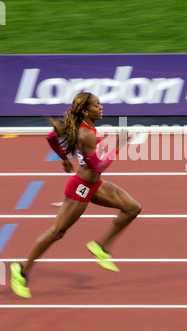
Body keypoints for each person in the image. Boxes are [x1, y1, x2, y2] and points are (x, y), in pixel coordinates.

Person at [10, 92, 142, 299]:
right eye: (97, 105)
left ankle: (100, 247)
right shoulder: (86, 134)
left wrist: (64, 159)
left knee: (133, 208)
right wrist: (118, 146)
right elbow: (99, 165)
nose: (101, 108)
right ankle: (21, 271)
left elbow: (51, 136)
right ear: (85, 111)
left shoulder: (83, 126)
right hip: (81, 188)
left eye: (100, 104)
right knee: (57, 232)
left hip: (94, 184)